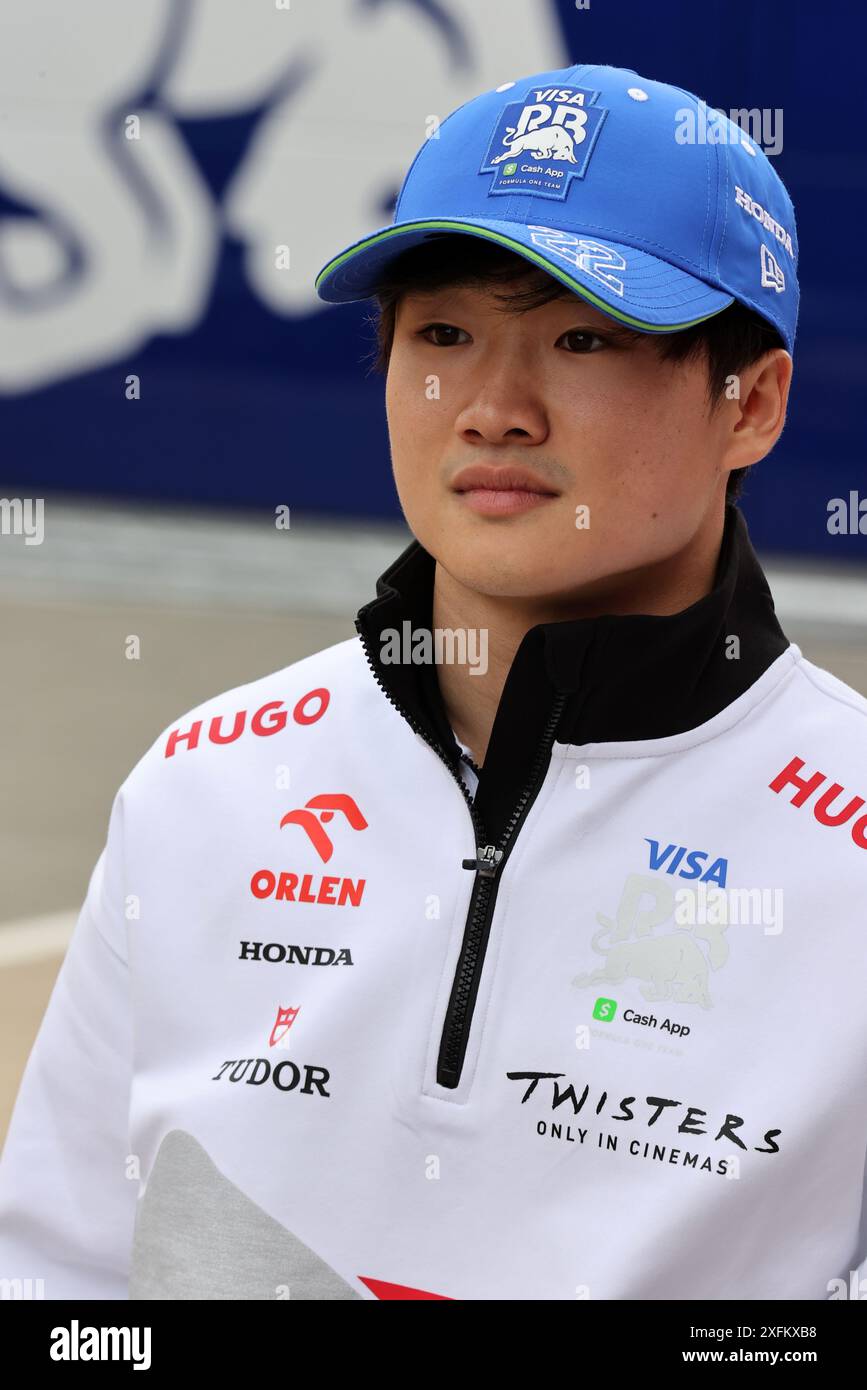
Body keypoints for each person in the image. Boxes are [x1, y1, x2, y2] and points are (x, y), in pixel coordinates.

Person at [1, 61, 865, 1302]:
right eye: (444, 335)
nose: (493, 408)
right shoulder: (207, 784)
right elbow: (56, 1284)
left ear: (754, 402)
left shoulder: (848, 846)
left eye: (583, 336)